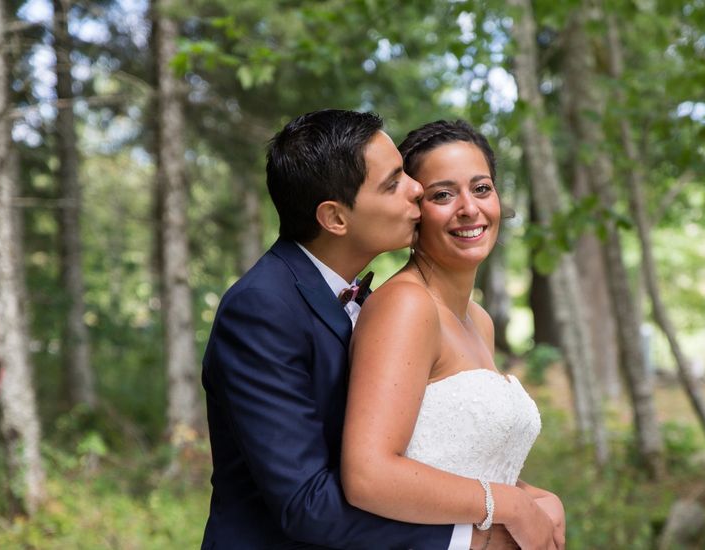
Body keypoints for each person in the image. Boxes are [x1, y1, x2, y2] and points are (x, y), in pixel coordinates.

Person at [200, 110, 537, 549]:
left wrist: (524, 496)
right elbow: (306, 503)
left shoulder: (355, 295)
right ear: (335, 219)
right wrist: (477, 536)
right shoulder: (262, 309)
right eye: (394, 182)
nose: (416, 189)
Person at [341, 120, 566, 549]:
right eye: (442, 195)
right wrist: (512, 505)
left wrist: (534, 496)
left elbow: (456, 460)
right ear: (414, 208)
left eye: (481, 188)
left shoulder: (478, 319)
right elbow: (369, 473)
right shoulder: (405, 307)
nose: (469, 208)